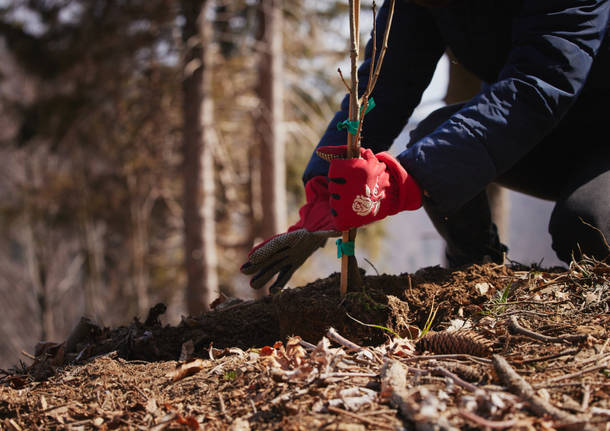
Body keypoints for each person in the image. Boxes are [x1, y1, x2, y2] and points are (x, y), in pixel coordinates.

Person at [241, 0, 610, 292]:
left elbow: (537, 85)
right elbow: (381, 92)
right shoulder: (420, 3)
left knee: (585, 227)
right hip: (553, 137)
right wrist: (324, 197)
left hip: (580, 130)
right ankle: (477, 275)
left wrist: (401, 181)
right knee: (435, 135)